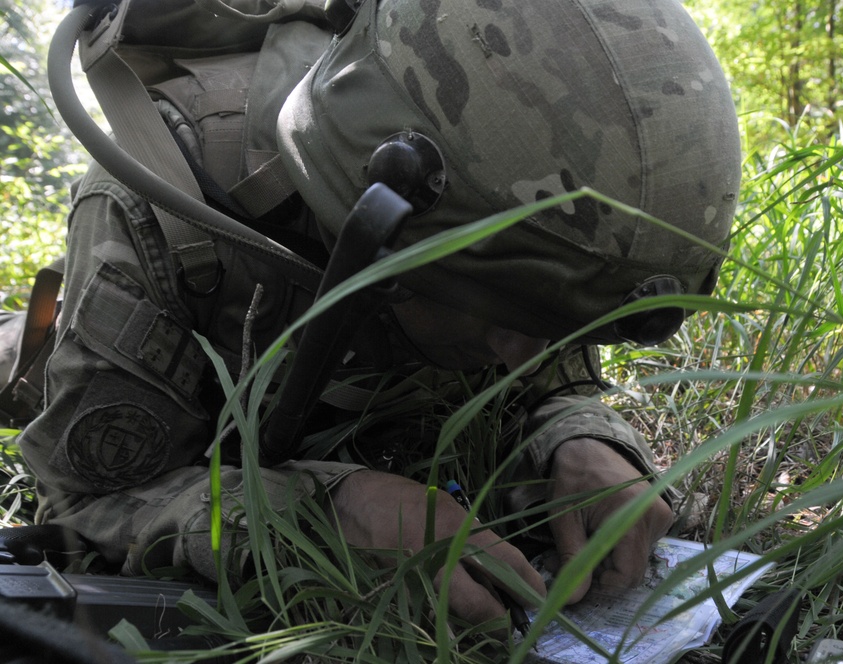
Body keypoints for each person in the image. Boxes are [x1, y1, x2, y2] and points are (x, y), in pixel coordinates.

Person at [11, 0, 740, 634]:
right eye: (490, 312)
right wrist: (323, 510)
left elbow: (553, 379)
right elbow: (85, 497)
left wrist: (580, 438)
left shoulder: (513, 213)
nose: (524, 353)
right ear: (369, 215)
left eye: (552, 325)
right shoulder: (162, 213)